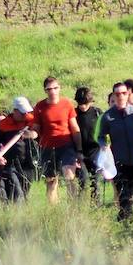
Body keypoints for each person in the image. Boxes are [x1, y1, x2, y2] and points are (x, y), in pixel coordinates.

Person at [97, 81, 133, 224]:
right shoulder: (108, 116)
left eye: (124, 93)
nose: (121, 96)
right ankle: (127, 223)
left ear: (128, 94)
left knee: (132, 193)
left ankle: (123, 219)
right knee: (123, 193)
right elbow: (101, 136)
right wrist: (103, 145)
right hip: (118, 160)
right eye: (117, 94)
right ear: (114, 95)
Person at [32, 76, 81, 204]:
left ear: (59, 88)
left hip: (66, 145)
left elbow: (74, 127)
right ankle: (53, 211)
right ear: (45, 91)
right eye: (49, 89)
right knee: (51, 181)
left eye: (55, 88)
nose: (52, 91)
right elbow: (36, 129)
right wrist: (30, 134)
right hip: (47, 147)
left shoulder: (66, 104)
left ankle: (73, 208)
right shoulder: (40, 106)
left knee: (69, 176)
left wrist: (79, 149)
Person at [0, 99, 39, 203]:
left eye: (27, 112)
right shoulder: (4, 124)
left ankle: (19, 214)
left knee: (25, 192)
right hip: (11, 164)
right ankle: (15, 212)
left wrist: (32, 134)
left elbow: (39, 134)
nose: (25, 115)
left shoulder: (31, 120)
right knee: (18, 194)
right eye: (23, 112)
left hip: (28, 164)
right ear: (15, 111)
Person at [73, 86, 103, 203]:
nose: (82, 106)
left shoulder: (97, 113)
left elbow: (104, 131)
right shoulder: (74, 114)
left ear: (90, 101)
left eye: (85, 103)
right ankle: (80, 205)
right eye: (80, 103)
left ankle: (96, 205)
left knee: (95, 181)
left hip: (95, 151)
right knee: (83, 181)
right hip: (79, 153)